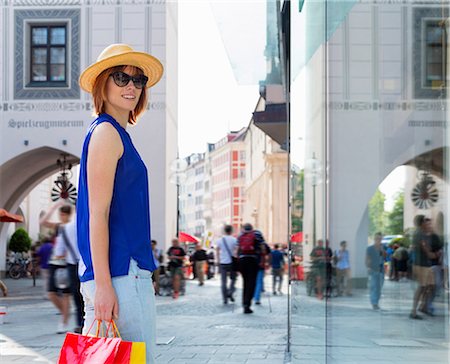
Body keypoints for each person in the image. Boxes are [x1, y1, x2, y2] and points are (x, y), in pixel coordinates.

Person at [77, 43, 163, 364]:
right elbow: (96, 216)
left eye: (138, 80)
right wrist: (103, 287)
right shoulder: (106, 133)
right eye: (121, 77)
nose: (131, 87)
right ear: (103, 83)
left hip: (120, 275)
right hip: (120, 275)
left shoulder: (115, 134)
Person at [41, 201, 84, 333]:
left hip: (70, 264)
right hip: (75, 264)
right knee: (74, 294)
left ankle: (74, 322)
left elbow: (60, 251)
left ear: (70, 213)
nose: (61, 216)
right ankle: (76, 321)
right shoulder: (65, 226)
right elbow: (43, 222)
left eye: (63, 214)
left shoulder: (66, 228)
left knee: (74, 295)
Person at [237, 223, 264, 314]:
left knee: (245, 283)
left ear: (244, 228)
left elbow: (237, 249)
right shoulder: (257, 234)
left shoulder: (240, 235)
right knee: (251, 283)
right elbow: (263, 247)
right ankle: (247, 304)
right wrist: (262, 259)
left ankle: (244, 303)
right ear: (252, 228)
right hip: (253, 260)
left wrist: (237, 261)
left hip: (242, 261)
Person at [216, 225, 238, 304]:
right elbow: (236, 252)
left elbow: (217, 251)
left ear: (225, 231)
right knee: (233, 279)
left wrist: (218, 261)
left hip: (222, 263)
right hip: (231, 263)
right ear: (231, 231)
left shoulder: (219, 240)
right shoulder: (234, 240)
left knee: (223, 282)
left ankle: (225, 299)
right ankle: (230, 292)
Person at [366, 232, 386, 310]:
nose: (379, 240)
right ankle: (374, 303)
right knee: (374, 286)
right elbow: (367, 258)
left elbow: (385, 257)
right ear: (374, 239)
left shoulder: (383, 247)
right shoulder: (370, 248)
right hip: (373, 269)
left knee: (379, 287)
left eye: (380, 239)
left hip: (381, 269)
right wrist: (368, 267)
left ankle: (376, 301)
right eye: (377, 238)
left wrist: (382, 250)